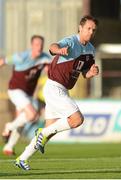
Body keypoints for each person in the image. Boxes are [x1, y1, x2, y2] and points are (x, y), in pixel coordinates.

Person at [15, 15, 99, 170]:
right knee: (76, 119)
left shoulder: (91, 50)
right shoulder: (71, 41)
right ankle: (42, 132)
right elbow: (53, 46)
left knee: (49, 132)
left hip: (62, 89)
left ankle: (23, 158)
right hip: (54, 87)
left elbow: (84, 73)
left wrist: (91, 73)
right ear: (80, 28)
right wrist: (58, 50)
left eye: (93, 30)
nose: (91, 32)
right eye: (88, 28)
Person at [0, 35, 52, 155]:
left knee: (23, 121)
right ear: (32, 45)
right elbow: (3, 61)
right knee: (32, 115)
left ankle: (9, 147)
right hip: (15, 90)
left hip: (28, 94)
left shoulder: (44, 58)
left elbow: (50, 70)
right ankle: (9, 126)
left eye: (41, 45)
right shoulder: (21, 57)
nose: (39, 47)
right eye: (37, 44)